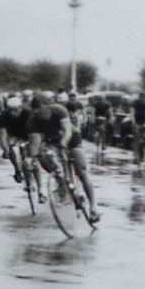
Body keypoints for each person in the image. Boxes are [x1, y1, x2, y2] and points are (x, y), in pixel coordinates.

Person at [27, 92, 100, 223]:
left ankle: (94, 207)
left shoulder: (58, 110)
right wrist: (32, 159)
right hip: (52, 141)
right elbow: (34, 143)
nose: (39, 114)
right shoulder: (33, 120)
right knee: (45, 158)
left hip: (71, 138)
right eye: (36, 111)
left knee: (82, 171)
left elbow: (67, 130)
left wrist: (64, 143)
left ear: (48, 106)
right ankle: (63, 184)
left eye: (41, 110)